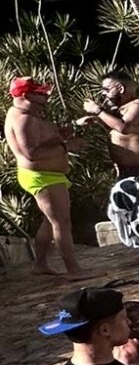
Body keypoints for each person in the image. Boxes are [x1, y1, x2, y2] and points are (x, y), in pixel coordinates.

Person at [4, 76, 79, 277]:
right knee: (61, 223)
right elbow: (32, 152)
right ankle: (73, 270)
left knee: (49, 222)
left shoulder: (27, 114)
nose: (46, 98)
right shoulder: (23, 119)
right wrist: (66, 147)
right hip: (43, 176)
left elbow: (46, 139)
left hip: (47, 175)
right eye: (40, 94)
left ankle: (40, 265)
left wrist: (74, 127)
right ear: (26, 96)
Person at [79, 71, 139, 179]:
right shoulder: (119, 110)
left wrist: (97, 110)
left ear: (121, 89)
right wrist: (96, 119)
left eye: (106, 90)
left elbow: (124, 128)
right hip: (125, 171)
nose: (103, 94)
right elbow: (115, 126)